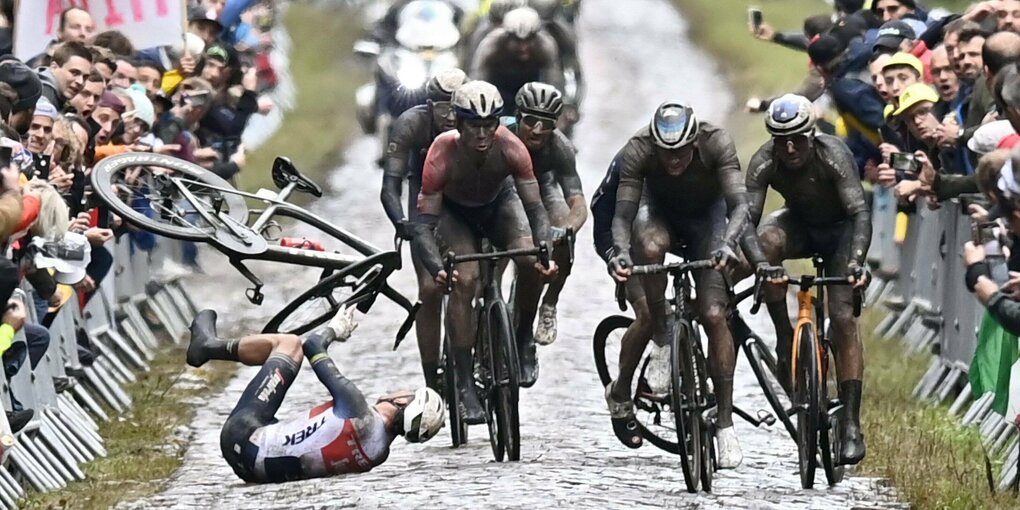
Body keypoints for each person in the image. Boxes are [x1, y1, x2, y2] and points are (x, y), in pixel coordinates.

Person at [605, 102, 749, 468]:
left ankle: (725, 424)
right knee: (650, 247)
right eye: (666, 152)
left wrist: (728, 244)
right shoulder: (639, 148)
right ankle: (663, 335)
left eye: (681, 151)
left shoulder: (716, 141)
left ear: (695, 143)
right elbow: (623, 214)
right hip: (658, 214)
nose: (673, 160)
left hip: (708, 218)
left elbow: (739, 204)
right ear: (655, 144)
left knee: (715, 313)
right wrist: (620, 253)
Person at [411, 80, 557, 422]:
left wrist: (544, 252)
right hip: (454, 213)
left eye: (488, 125)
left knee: (529, 259)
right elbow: (422, 226)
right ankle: (462, 382)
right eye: (473, 126)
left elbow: (536, 210)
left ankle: (522, 339)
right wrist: (437, 268)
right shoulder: (440, 152)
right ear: (458, 124)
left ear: (498, 124)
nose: (481, 135)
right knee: (467, 278)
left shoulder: (511, 146)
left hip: (499, 203)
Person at [743, 94, 871, 466]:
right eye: (781, 140)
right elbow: (748, 222)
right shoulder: (765, 161)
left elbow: (859, 213)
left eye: (797, 137)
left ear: (810, 133)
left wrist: (856, 262)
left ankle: (849, 422)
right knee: (766, 241)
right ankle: (785, 334)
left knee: (843, 317)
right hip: (800, 223)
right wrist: (762, 267)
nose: (790, 147)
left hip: (841, 231)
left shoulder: (833, 155)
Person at [186, 307, 445, 483]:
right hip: (252, 472)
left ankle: (207, 346)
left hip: (241, 437)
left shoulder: (356, 406)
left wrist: (335, 329)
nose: (400, 389)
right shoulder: (378, 454)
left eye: (408, 392)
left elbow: (312, 345)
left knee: (289, 345)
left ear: (401, 401)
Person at [379, 68, 467, 390]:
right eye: (441, 108)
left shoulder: (476, 123)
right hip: (423, 196)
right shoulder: (411, 124)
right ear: (429, 105)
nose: (449, 116)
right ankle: (433, 379)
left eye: (455, 108)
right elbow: (390, 187)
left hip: (467, 196)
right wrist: (402, 223)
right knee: (430, 290)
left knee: (476, 279)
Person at [507, 82, 585, 345]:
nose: (538, 130)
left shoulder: (560, 147)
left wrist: (567, 230)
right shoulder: (499, 134)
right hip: (505, 191)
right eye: (530, 121)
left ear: (555, 125)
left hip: (543, 191)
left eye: (546, 123)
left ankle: (549, 303)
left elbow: (578, 203)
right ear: (517, 117)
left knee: (563, 234)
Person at [470, 7, 563, 115]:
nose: (523, 47)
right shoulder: (491, 45)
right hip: (499, 91)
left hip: (531, 93)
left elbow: (554, 80)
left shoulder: (546, 45)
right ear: (507, 37)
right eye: (517, 41)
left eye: (529, 40)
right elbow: (477, 76)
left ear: (536, 36)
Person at [37, 41, 93, 112]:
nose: (80, 82)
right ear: (54, 67)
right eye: (74, 73)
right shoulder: (43, 98)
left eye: (85, 77)